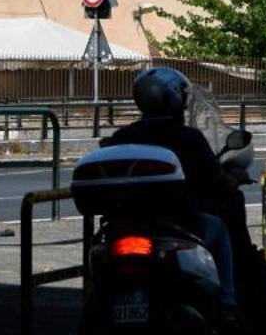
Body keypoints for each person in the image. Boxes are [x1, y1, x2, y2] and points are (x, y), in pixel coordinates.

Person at [101, 65, 236, 308]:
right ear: (172, 97)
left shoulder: (123, 136)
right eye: (182, 97)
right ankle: (228, 299)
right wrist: (232, 181)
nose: (184, 104)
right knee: (220, 229)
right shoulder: (188, 137)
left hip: (126, 223)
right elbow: (216, 181)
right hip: (178, 223)